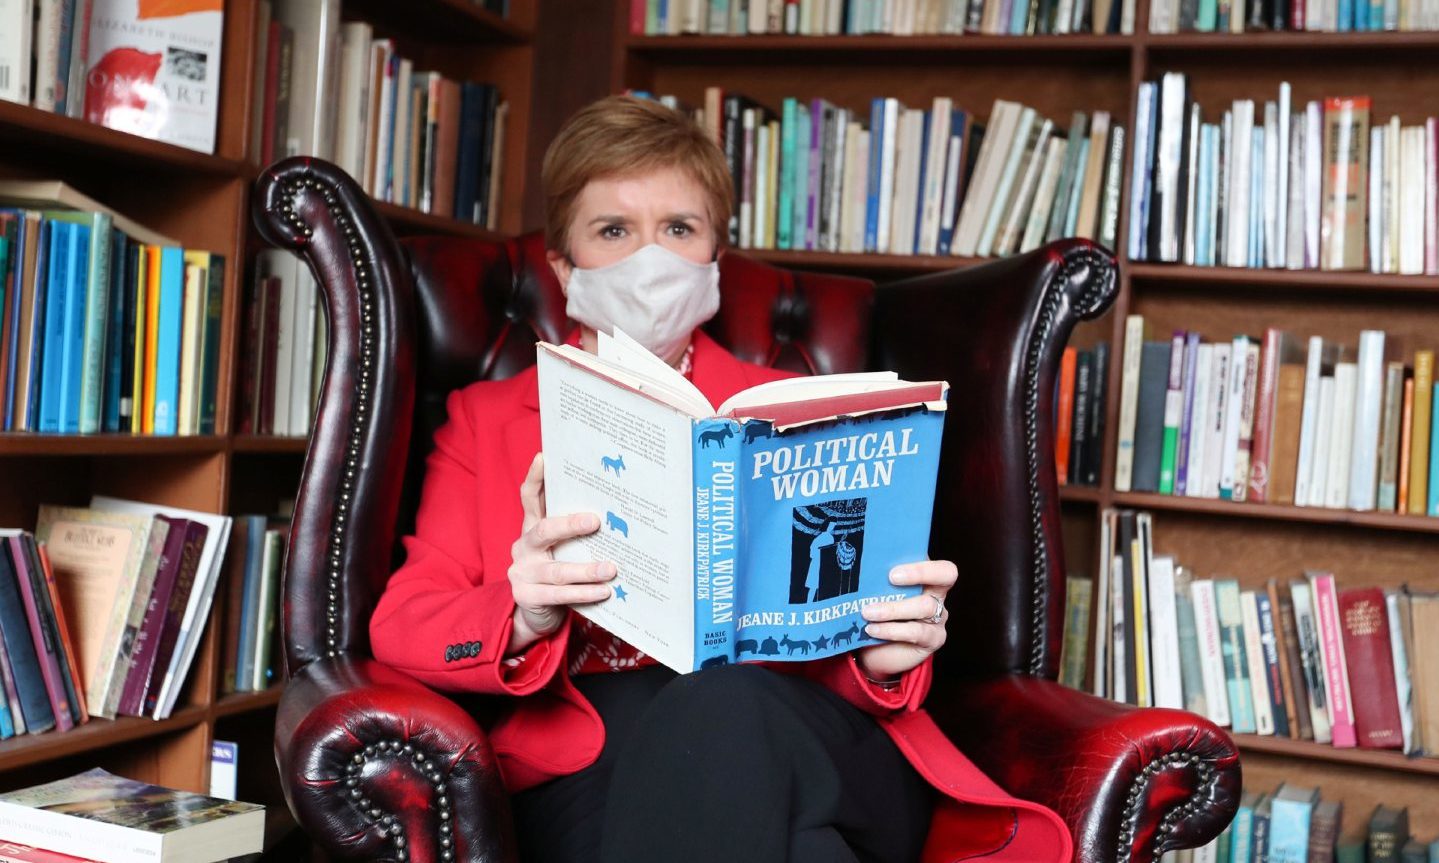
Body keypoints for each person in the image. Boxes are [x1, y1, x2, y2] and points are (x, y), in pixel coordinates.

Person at [369, 95, 1071, 863]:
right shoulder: (488, 418)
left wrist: (881, 653)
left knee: (725, 704)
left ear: (713, 257)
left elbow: (857, 612)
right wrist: (523, 612)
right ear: (562, 265)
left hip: (816, 739)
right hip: (594, 760)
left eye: (678, 229)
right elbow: (404, 622)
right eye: (613, 231)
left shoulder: (791, 412)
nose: (651, 258)